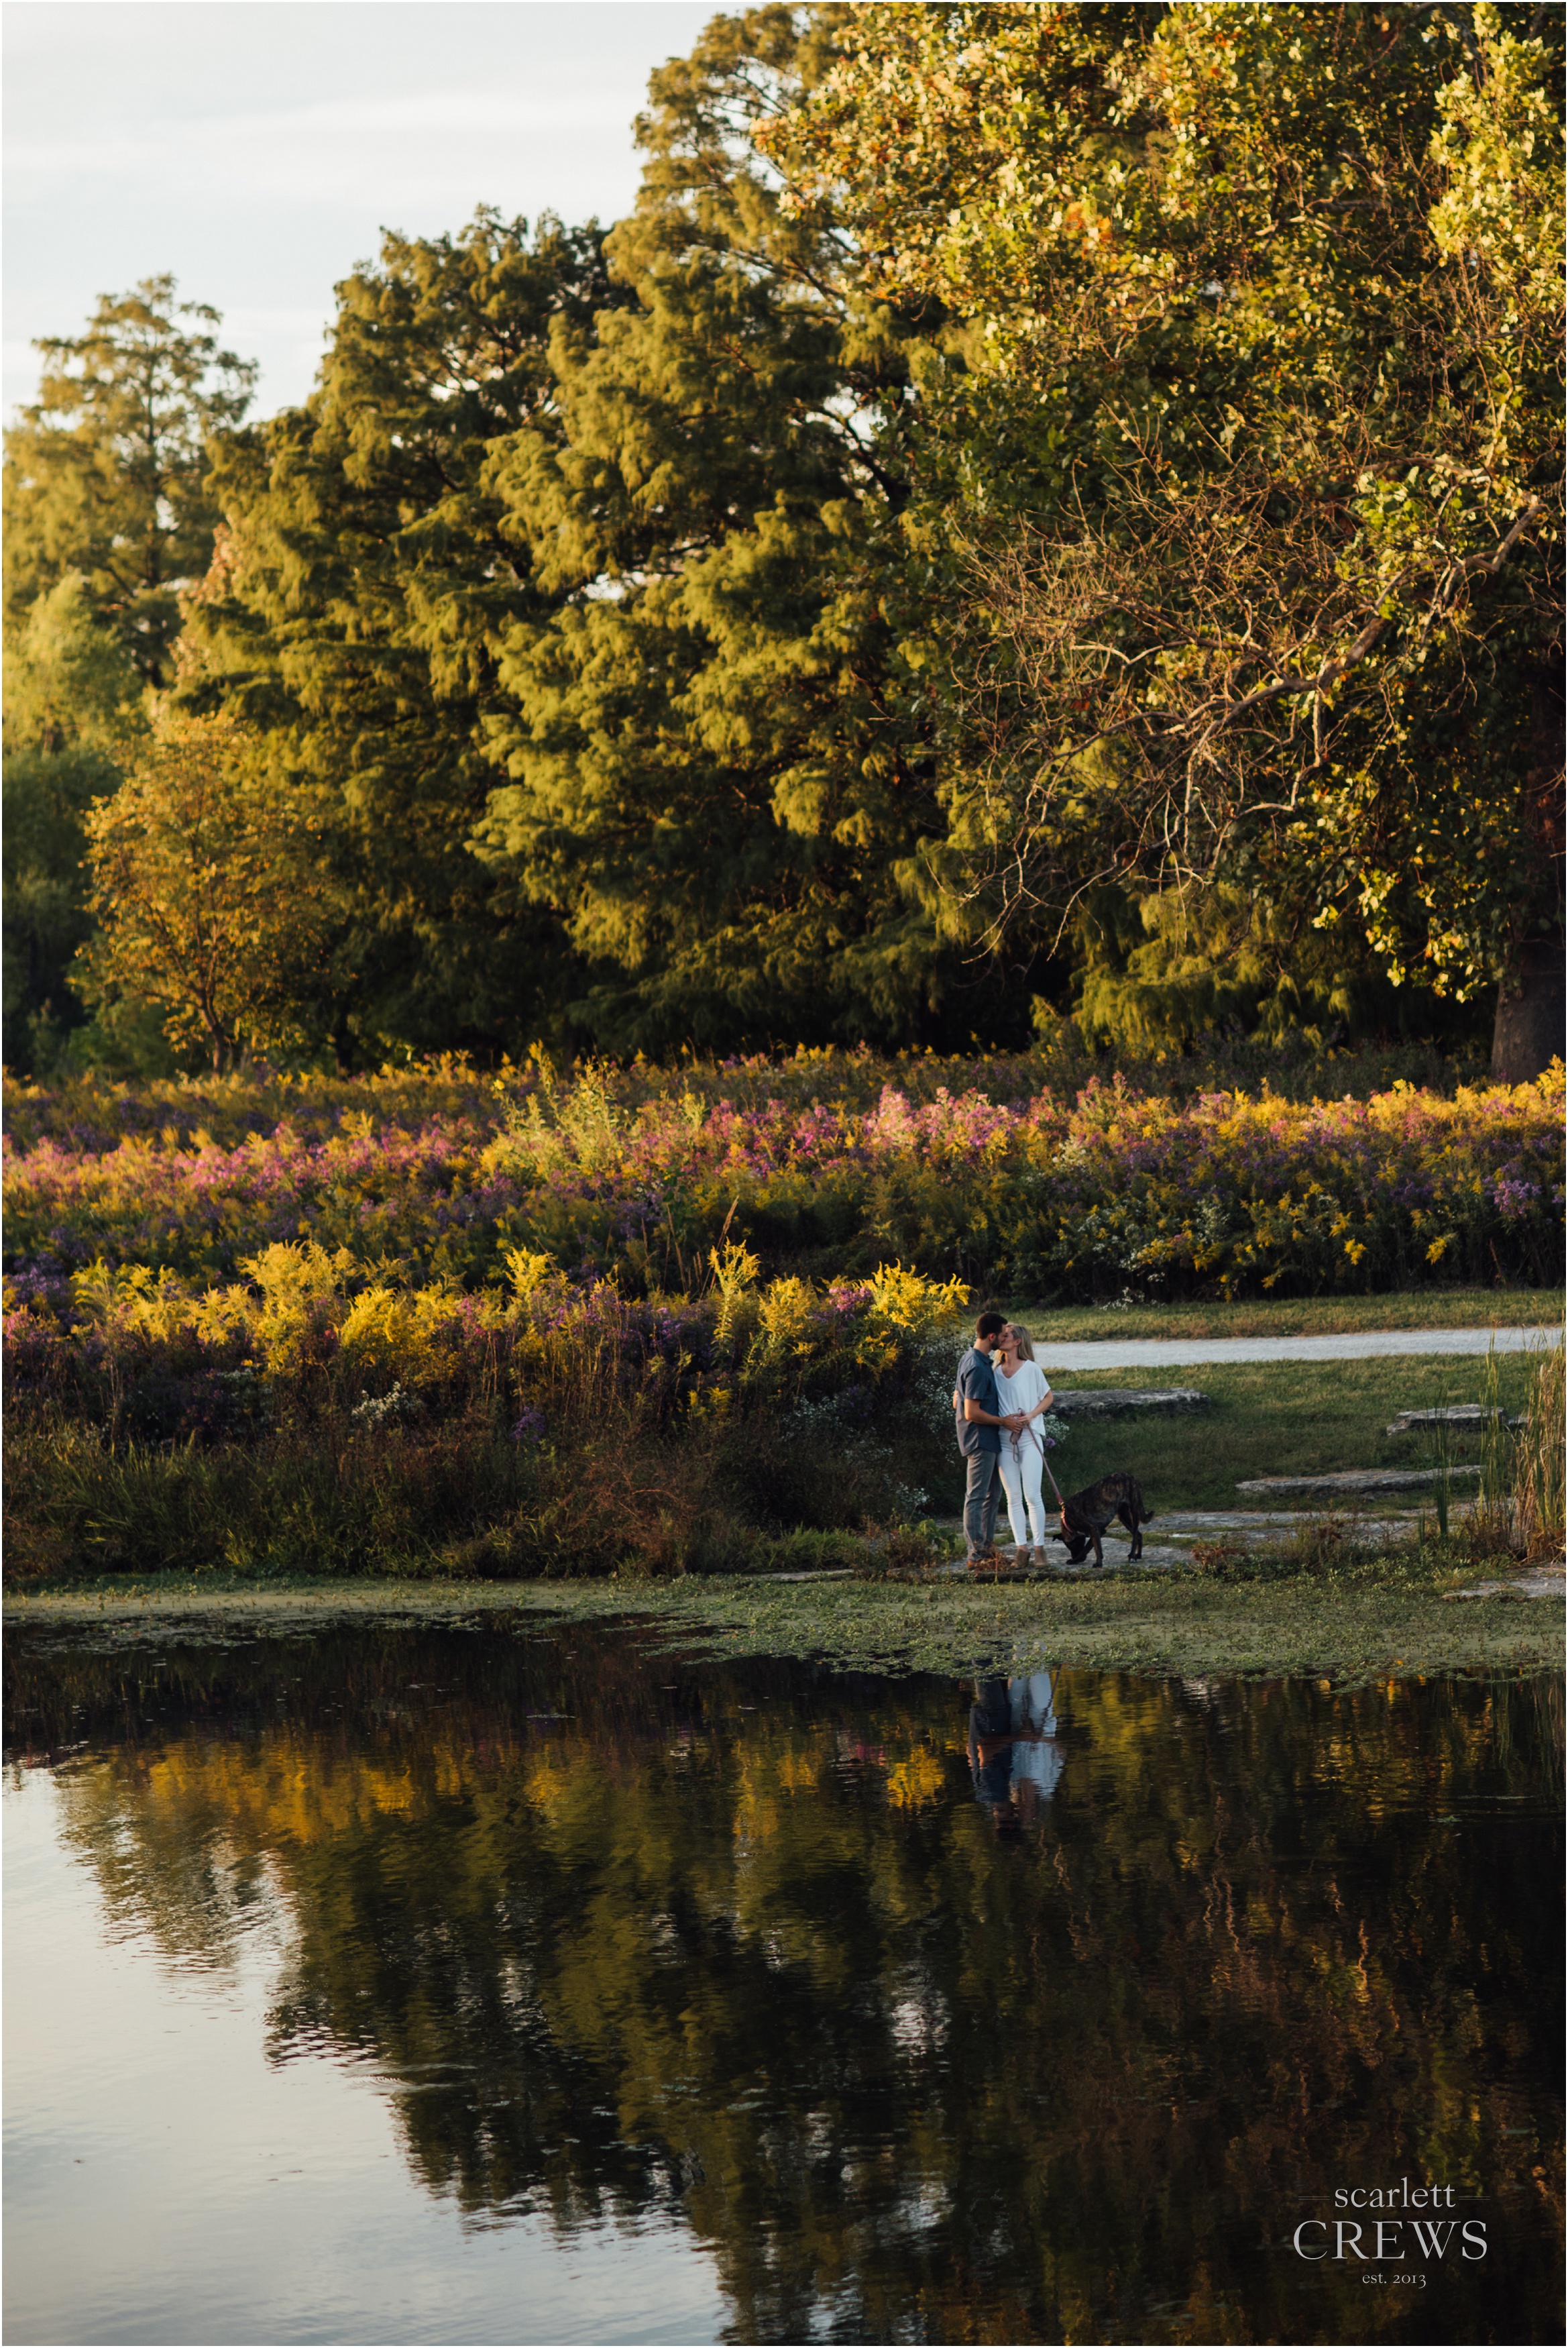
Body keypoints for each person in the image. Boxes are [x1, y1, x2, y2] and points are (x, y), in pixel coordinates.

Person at [953, 1313, 1025, 1570]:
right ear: (992, 1337)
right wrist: (1004, 1421)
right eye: (1004, 1334)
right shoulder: (976, 1365)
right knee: (976, 1496)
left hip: (990, 1439)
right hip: (979, 1439)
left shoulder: (976, 1359)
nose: (1007, 1337)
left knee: (991, 1496)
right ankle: (975, 1556)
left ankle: (987, 1550)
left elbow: (959, 1397)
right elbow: (971, 1412)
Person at [993, 1323, 1056, 1566]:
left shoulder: (1031, 1369)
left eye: (1006, 1335)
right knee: (1013, 1497)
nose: (1002, 1338)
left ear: (1018, 1341)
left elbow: (1048, 1397)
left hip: (1029, 1438)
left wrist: (1030, 1415)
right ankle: (1022, 1549)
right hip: (1004, 1438)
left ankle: (1040, 1549)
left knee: (1032, 1494)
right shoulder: (995, 1370)